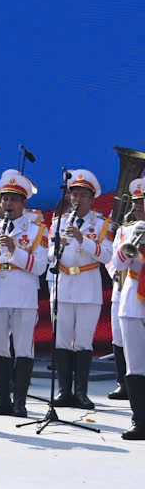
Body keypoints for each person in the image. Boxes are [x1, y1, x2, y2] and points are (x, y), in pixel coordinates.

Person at [0, 170, 47, 418]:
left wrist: (14, 251)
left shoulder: (37, 230)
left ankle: (20, 401)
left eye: (14, 199)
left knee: (22, 348)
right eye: (5, 198)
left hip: (23, 294)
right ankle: (2, 400)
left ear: (24, 203)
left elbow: (40, 266)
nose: (8, 204)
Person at [50, 170, 108, 410]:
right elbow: (47, 257)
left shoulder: (102, 224)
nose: (77, 200)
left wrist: (83, 239)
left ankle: (81, 392)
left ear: (91, 199)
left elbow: (107, 255)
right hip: (63, 284)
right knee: (62, 340)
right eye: (74, 194)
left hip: (87, 286)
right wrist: (58, 247)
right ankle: (64, 391)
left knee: (83, 342)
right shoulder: (58, 222)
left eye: (83, 195)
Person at [103, 186, 145, 440]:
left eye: (144, 202)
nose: (138, 206)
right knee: (135, 366)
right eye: (137, 201)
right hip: (131, 302)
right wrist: (128, 245)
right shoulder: (127, 230)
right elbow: (116, 263)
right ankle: (139, 420)